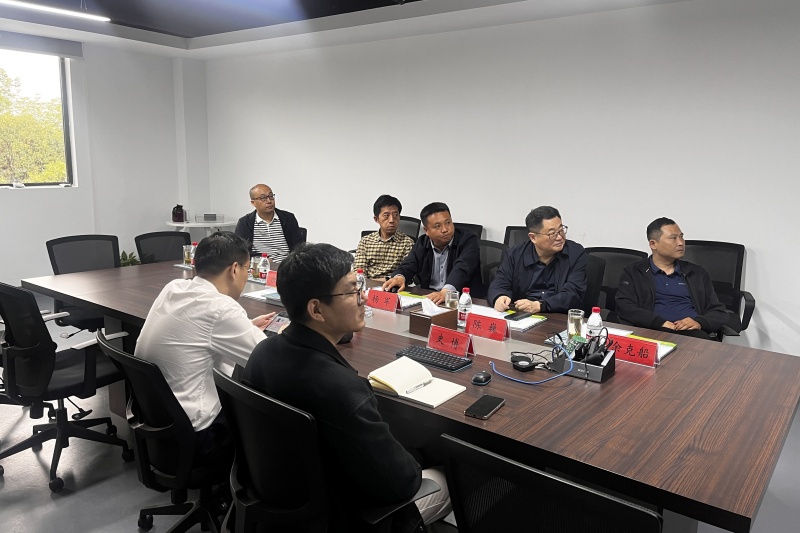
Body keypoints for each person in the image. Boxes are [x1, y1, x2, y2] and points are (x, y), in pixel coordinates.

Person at [244, 243, 451, 531]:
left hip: (287, 500)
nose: (364, 297)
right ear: (316, 309)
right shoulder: (341, 389)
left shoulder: (262, 353)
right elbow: (401, 483)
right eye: (353, 291)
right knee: (451, 476)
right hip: (345, 515)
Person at [135, 231, 275, 464]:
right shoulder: (221, 308)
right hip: (199, 435)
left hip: (159, 423)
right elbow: (269, 360)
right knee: (271, 418)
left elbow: (198, 331)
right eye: (247, 268)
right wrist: (284, 335)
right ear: (234, 269)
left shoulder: (174, 287)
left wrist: (246, 327)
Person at [615, 217, 728, 338]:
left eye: (681, 237)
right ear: (653, 244)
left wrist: (700, 322)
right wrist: (659, 322)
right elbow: (624, 306)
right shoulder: (634, 271)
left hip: (691, 335)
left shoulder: (696, 273)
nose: (681, 243)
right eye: (673, 238)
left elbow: (718, 311)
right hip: (652, 331)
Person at [488, 206, 586, 313]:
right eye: (552, 234)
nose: (559, 237)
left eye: (561, 230)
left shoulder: (575, 253)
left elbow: (573, 293)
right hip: (523, 314)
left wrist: (540, 305)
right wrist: (499, 297)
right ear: (533, 237)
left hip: (558, 315)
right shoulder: (515, 254)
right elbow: (499, 284)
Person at [382, 202, 482, 303]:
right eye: (437, 226)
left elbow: (462, 268)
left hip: (463, 300)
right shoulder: (422, 242)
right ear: (426, 230)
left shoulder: (468, 239)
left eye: (448, 223)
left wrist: (446, 292)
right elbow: (409, 264)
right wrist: (400, 277)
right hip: (430, 297)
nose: (445, 229)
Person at [234, 183, 304, 263]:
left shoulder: (288, 218)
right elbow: (239, 251)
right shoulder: (244, 223)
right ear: (253, 203)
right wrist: (261, 258)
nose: (269, 201)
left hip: (286, 265)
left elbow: (300, 247)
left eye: (271, 196)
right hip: (260, 265)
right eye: (263, 198)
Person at [354, 194, 415, 279]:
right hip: (368, 285)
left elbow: (408, 273)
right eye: (386, 215)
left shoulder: (407, 243)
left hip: (394, 285)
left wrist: (385, 281)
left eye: (395, 215)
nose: (391, 220)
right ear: (376, 219)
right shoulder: (365, 241)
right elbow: (359, 271)